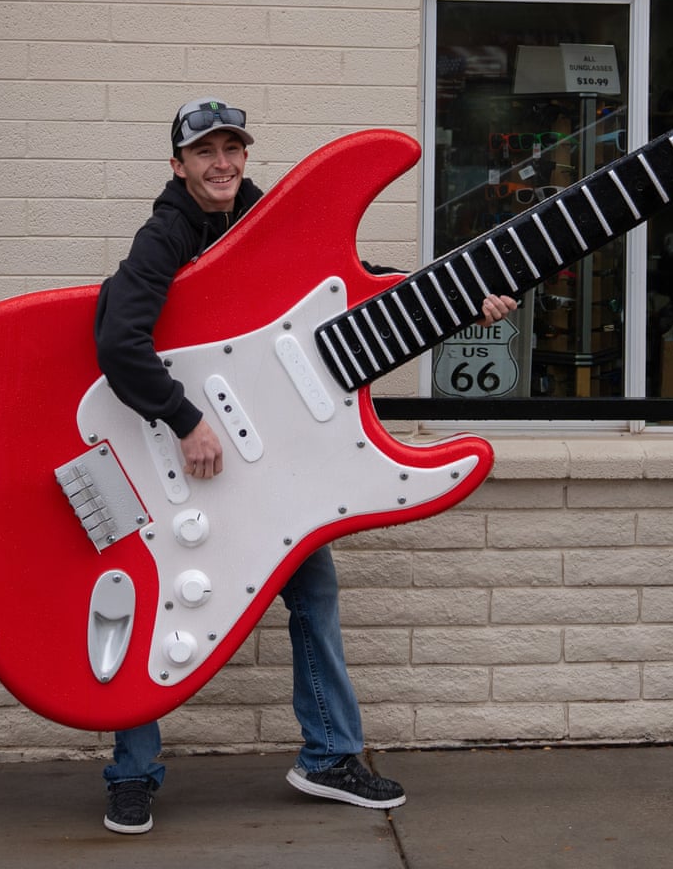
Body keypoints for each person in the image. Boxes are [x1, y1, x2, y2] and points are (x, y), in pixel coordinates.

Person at [94, 97, 518, 834]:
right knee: (158, 609)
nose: (222, 164)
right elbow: (119, 343)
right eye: (205, 153)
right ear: (178, 165)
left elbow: (350, 284)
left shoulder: (267, 220)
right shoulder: (165, 235)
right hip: (168, 460)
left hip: (264, 469)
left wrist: (458, 297)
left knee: (314, 594)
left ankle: (328, 755)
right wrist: (186, 420)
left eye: (233, 149)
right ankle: (131, 774)